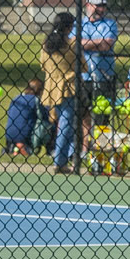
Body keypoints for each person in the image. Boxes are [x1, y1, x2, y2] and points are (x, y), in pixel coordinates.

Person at [73, 0, 118, 138]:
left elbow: (106, 45)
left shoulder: (110, 24)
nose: (101, 9)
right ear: (88, 5)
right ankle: (85, 148)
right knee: (83, 114)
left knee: (102, 115)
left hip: (105, 76)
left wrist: (84, 43)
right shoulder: (79, 24)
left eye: (103, 6)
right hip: (83, 76)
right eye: (98, 5)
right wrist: (97, 42)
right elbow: (73, 44)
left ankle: (101, 147)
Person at [40, 13, 78, 174]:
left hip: (51, 87)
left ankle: (59, 157)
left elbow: (42, 65)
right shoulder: (72, 44)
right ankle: (60, 161)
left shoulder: (46, 44)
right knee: (67, 124)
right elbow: (82, 64)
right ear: (69, 27)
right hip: (68, 87)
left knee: (59, 124)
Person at [4, 79, 49, 157]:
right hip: (25, 135)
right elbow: (45, 116)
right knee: (49, 125)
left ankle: (14, 147)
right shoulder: (36, 100)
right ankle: (51, 150)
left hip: (9, 133)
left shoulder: (16, 98)